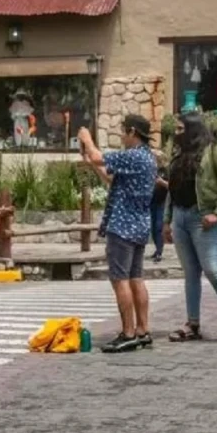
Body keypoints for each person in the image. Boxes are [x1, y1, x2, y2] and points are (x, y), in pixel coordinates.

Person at [164, 112, 217, 346]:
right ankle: (192, 323)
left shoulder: (215, 152)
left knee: (214, 271)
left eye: (181, 129)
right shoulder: (179, 155)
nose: (177, 134)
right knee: (190, 274)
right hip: (180, 217)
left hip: (203, 219)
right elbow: (173, 188)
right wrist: (167, 220)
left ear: (193, 130)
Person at [78, 116, 158, 353]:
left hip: (122, 226)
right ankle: (143, 330)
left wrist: (87, 139)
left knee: (120, 280)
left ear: (133, 132)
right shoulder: (146, 157)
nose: (122, 136)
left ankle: (128, 332)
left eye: (123, 131)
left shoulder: (134, 155)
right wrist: (93, 163)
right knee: (136, 278)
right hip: (139, 225)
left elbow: (97, 155)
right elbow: (111, 178)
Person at [150, 152, 170, 262]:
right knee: (153, 228)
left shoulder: (166, 171)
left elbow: (171, 185)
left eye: (155, 157)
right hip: (152, 201)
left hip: (162, 202)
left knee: (158, 226)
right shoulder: (152, 170)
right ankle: (157, 249)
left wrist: (161, 182)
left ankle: (159, 252)